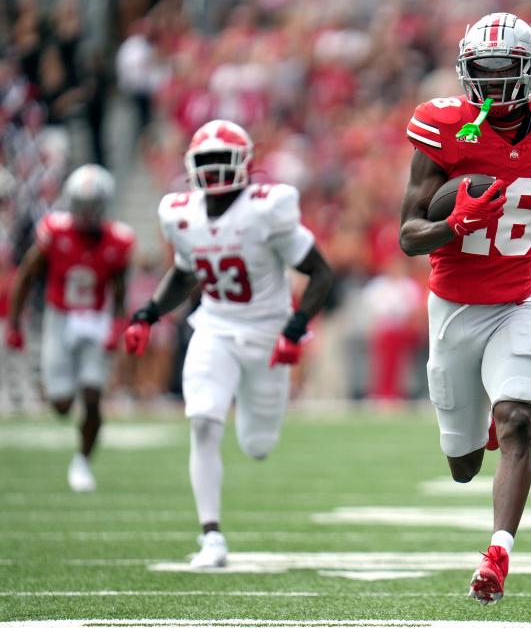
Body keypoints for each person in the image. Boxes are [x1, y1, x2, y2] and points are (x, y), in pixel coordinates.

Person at [399, 13, 531, 605]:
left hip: (515, 304)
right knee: (462, 464)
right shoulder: (443, 128)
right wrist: (452, 225)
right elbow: (409, 235)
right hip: (454, 309)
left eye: (503, 69)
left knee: (519, 421)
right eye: (481, 70)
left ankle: (498, 554)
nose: (490, 82)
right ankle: (475, 422)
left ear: (529, 70)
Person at [123, 119, 333, 568]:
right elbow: (185, 272)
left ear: (245, 164)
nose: (216, 171)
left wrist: (294, 330)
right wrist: (148, 313)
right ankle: (211, 536)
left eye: (224, 160)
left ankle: (250, 425)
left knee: (258, 445)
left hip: (267, 335)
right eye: (207, 162)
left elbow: (321, 271)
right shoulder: (181, 212)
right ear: (191, 166)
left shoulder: (267, 207)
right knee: (202, 420)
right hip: (214, 327)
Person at [5, 164, 134, 492]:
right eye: (82, 204)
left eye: (93, 206)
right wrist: (15, 324)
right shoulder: (56, 232)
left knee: (92, 396)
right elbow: (26, 276)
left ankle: (83, 462)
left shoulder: (117, 241)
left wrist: (117, 326)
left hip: (94, 318)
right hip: (60, 317)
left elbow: (119, 288)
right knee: (61, 405)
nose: (87, 213)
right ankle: (66, 389)